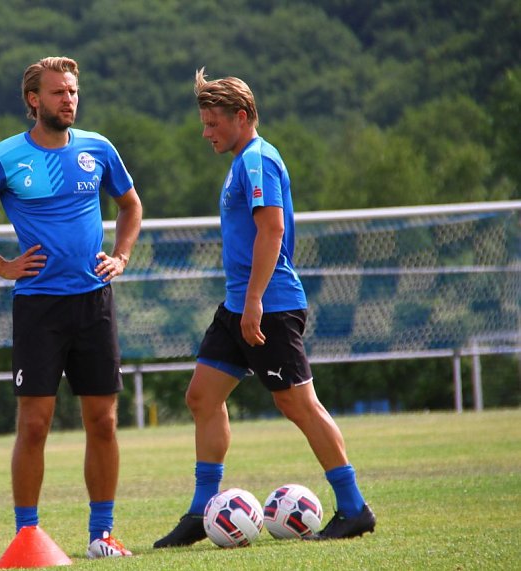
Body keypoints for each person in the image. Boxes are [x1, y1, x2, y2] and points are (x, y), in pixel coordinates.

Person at [153, 68, 376, 547]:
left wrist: (254, 300)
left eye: (213, 124)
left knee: (297, 403)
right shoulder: (241, 162)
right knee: (202, 397)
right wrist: (243, 302)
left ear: (242, 116)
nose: (206, 133)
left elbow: (272, 230)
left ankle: (354, 507)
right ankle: (200, 512)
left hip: (268, 305)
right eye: (204, 124)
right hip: (238, 305)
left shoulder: (258, 160)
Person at [0, 56, 141, 559]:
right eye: (58, 92)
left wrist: (120, 256)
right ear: (34, 100)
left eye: (72, 91)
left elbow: (130, 206)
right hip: (38, 309)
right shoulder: (5, 158)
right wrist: (2, 266)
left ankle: (102, 535)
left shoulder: (98, 149)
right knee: (34, 425)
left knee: (103, 422)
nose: (68, 100)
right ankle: (26, 533)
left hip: (94, 302)